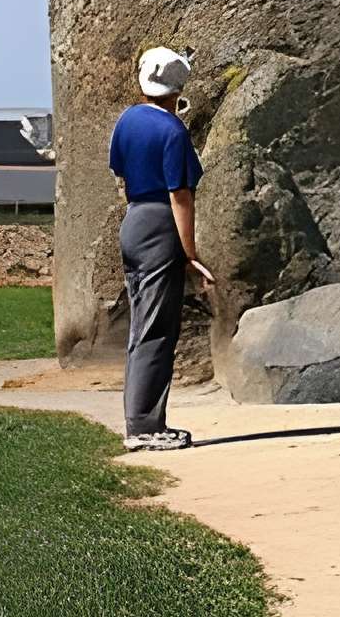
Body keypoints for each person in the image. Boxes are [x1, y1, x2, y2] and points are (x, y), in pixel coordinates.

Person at [108, 45, 215, 450]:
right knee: (156, 329)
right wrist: (189, 253)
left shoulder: (128, 120)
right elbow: (180, 195)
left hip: (133, 219)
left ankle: (142, 422)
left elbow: (120, 170)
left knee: (142, 326)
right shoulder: (172, 130)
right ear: (178, 88)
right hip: (159, 224)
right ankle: (144, 427)